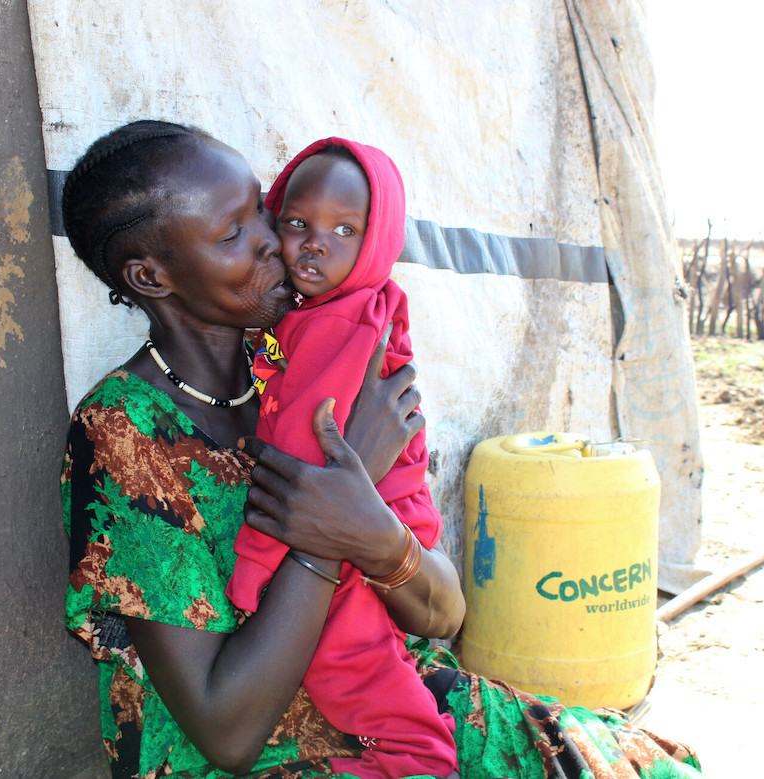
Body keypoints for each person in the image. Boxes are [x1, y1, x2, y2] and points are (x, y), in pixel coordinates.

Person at [61, 119, 703, 779]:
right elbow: (229, 731)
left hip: (389, 701)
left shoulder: (318, 362)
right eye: (232, 235)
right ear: (151, 276)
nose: (273, 243)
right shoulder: (126, 432)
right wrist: (331, 516)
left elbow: (444, 612)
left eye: (263, 210)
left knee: (647, 766)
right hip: (261, 762)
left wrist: (373, 528)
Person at [227, 138, 454, 778]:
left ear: (375, 241)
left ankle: (421, 761)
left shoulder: (338, 321)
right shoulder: (334, 308)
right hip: (376, 523)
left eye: (344, 229)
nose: (314, 242)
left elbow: (310, 448)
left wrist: (252, 569)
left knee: (355, 670)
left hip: (359, 528)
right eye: (297, 222)